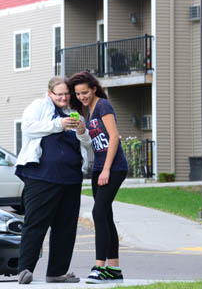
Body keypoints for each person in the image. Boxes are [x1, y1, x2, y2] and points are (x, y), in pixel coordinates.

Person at [15, 76, 93, 285]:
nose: (64, 98)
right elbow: (28, 128)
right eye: (59, 94)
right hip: (41, 176)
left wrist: (82, 131)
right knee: (35, 223)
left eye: (67, 94)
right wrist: (58, 124)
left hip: (71, 178)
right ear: (50, 94)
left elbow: (87, 144)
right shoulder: (39, 106)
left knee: (66, 227)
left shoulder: (74, 114)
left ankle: (57, 272)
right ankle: (25, 270)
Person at [68, 71, 128, 284]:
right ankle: (114, 269)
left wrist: (106, 170)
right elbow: (94, 142)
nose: (81, 96)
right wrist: (83, 130)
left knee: (98, 212)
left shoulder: (103, 105)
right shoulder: (90, 110)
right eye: (78, 93)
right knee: (106, 216)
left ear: (94, 88)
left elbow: (114, 137)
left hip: (113, 168)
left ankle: (99, 267)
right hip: (99, 168)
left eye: (85, 92)